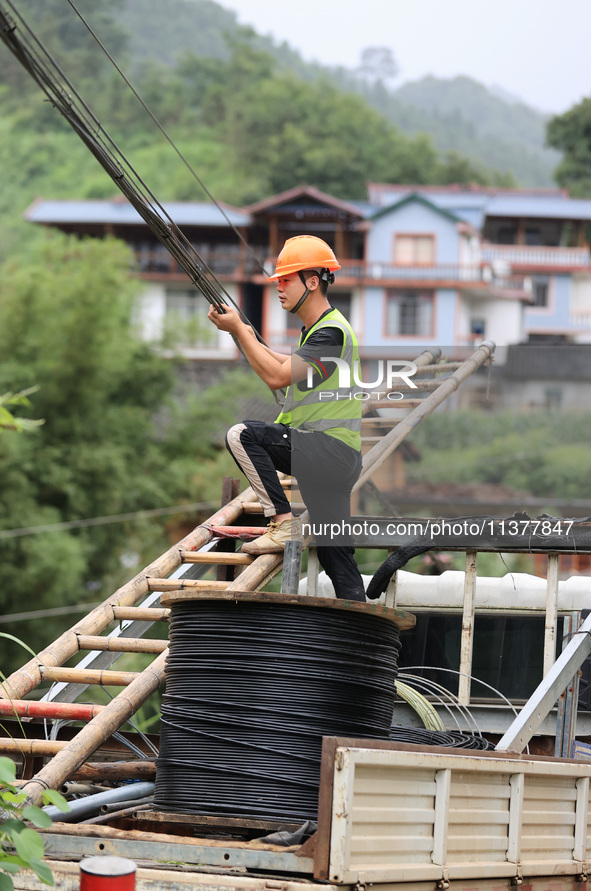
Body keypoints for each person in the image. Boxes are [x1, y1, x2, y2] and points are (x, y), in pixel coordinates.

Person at [207, 234, 366, 602]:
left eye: (286, 280)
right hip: (334, 457)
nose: (278, 287)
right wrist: (244, 334)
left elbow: (276, 378)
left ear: (312, 281)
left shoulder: (330, 332)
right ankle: (362, 633)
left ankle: (281, 523)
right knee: (334, 554)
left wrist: (238, 334)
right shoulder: (323, 328)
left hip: (326, 451)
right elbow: (284, 364)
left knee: (242, 435)